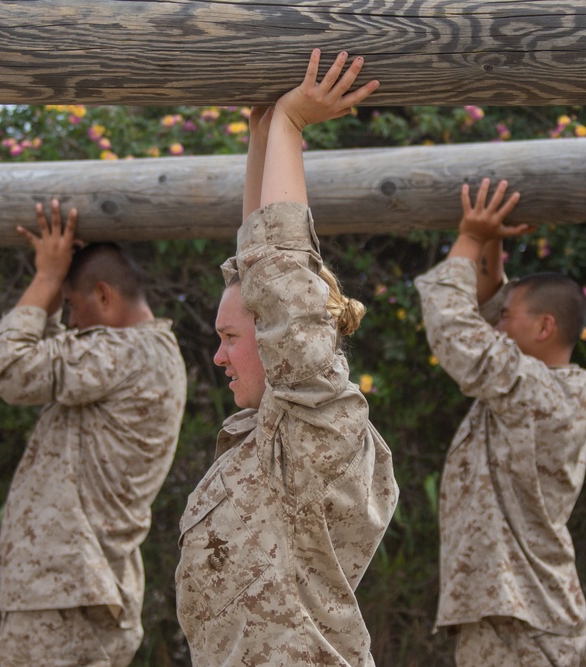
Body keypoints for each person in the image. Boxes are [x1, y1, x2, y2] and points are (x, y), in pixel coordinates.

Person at [175, 50, 398, 666]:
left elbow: (278, 281)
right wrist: (263, 135)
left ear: (277, 336)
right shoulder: (265, 438)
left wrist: (291, 129)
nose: (218, 356)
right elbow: (258, 272)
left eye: (229, 338)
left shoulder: (318, 425)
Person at [0, 201, 188, 667]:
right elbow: (53, 355)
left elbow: (10, 366)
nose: (71, 322)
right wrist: (56, 296)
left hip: (65, 595)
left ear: (104, 296)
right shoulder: (140, 354)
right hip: (76, 590)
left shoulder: (126, 352)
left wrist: (47, 280)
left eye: (75, 307)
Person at [415, 178, 586, 666]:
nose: (496, 324)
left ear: (544, 328)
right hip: (519, 618)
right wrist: (491, 238)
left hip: (525, 627)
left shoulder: (537, 393)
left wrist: (469, 238)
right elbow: (488, 307)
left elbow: (457, 331)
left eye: (507, 319)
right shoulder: (544, 385)